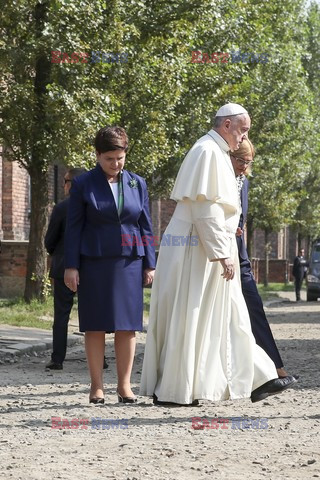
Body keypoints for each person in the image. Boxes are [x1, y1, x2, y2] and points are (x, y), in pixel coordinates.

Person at [140, 103, 296, 405]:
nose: (244, 137)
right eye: (243, 130)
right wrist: (222, 253)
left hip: (206, 247)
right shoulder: (208, 152)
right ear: (227, 125)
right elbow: (205, 209)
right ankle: (177, 389)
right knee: (193, 315)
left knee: (225, 315)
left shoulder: (215, 152)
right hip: (197, 249)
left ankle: (256, 378)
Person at [64, 126, 155, 404]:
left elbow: (145, 225)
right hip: (93, 262)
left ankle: (125, 386)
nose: (115, 164)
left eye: (120, 158)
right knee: (95, 325)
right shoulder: (83, 184)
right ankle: (97, 387)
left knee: (128, 326)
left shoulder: (137, 183)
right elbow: (74, 228)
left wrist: (150, 263)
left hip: (129, 261)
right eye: (109, 159)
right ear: (97, 155)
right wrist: (71, 265)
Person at [231, 139, 295, 379]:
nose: (244, 167)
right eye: (241, 161)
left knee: (254, 307)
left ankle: (274, 365)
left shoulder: (243, 181)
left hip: (239, 255)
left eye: (248, 163)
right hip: (216, 256)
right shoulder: (217, 177)